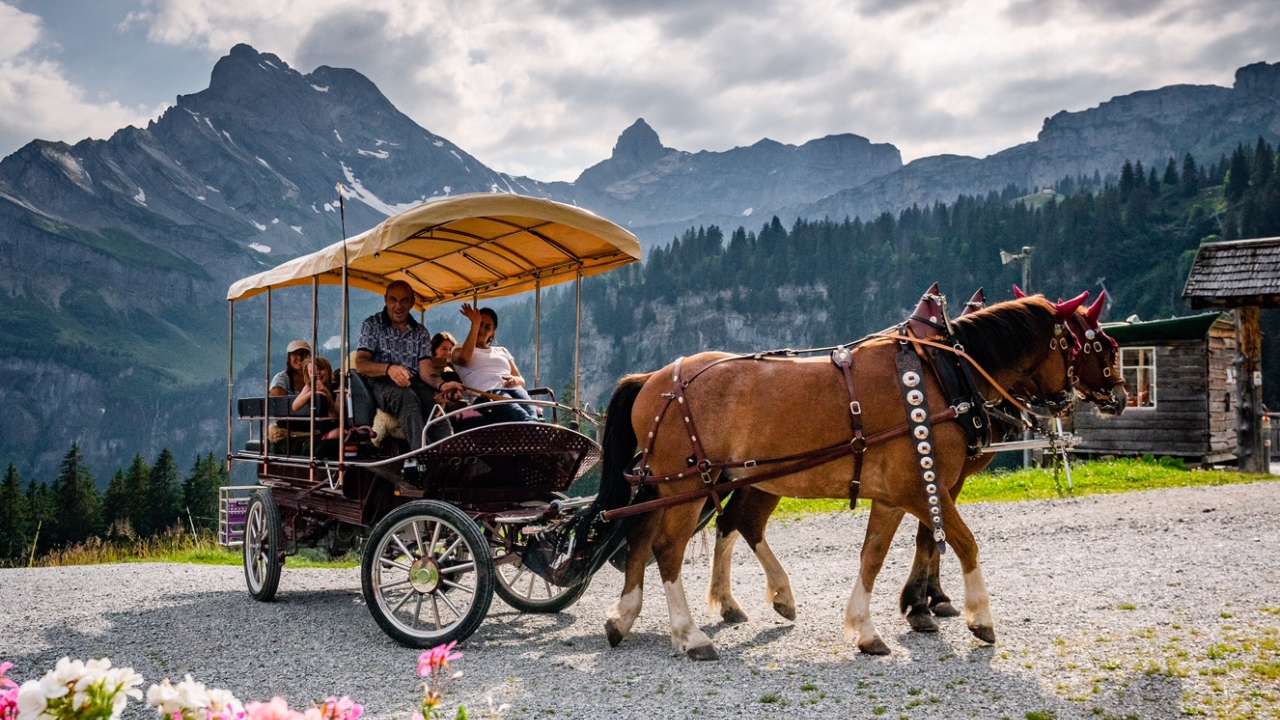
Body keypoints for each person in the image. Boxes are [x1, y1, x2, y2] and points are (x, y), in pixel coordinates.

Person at [354, 281, 463, 449]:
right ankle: (420, 455)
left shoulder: (420, 332)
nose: (398, 306)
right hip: (380, 382)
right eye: (393, 300)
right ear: (385, 300)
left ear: (412, 302)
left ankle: (450, 454)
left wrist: (442, 385)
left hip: (414, 382)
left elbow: (426, 371)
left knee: (434, 404)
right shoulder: (372, 325)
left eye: (404, 301)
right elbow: (361, 363)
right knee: (408, 398)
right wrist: (389, 369)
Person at [453, 304, 536, 422]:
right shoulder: (459, 349)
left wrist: (515, 380)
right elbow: (464, 359)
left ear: (492, 333)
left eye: (487, 327)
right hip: (487, 396)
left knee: (532, 413)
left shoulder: (502, 351)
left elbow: (521, 380)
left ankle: (537, 431)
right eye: (480, 324)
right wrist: (475, 324)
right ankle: (539, 433)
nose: (482, 330)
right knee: (521, 415)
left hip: (515, 390)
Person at [292, 356, 340, 441]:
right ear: (308, 375)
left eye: (320, 369)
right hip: (318, 426)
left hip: (333, 424)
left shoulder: (336, 387)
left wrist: (326, 392)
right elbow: (295, 406)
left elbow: (335, 415)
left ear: (328, 370)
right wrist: (310, 393)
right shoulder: (309, 386)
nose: (317, 373)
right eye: (312, 372)